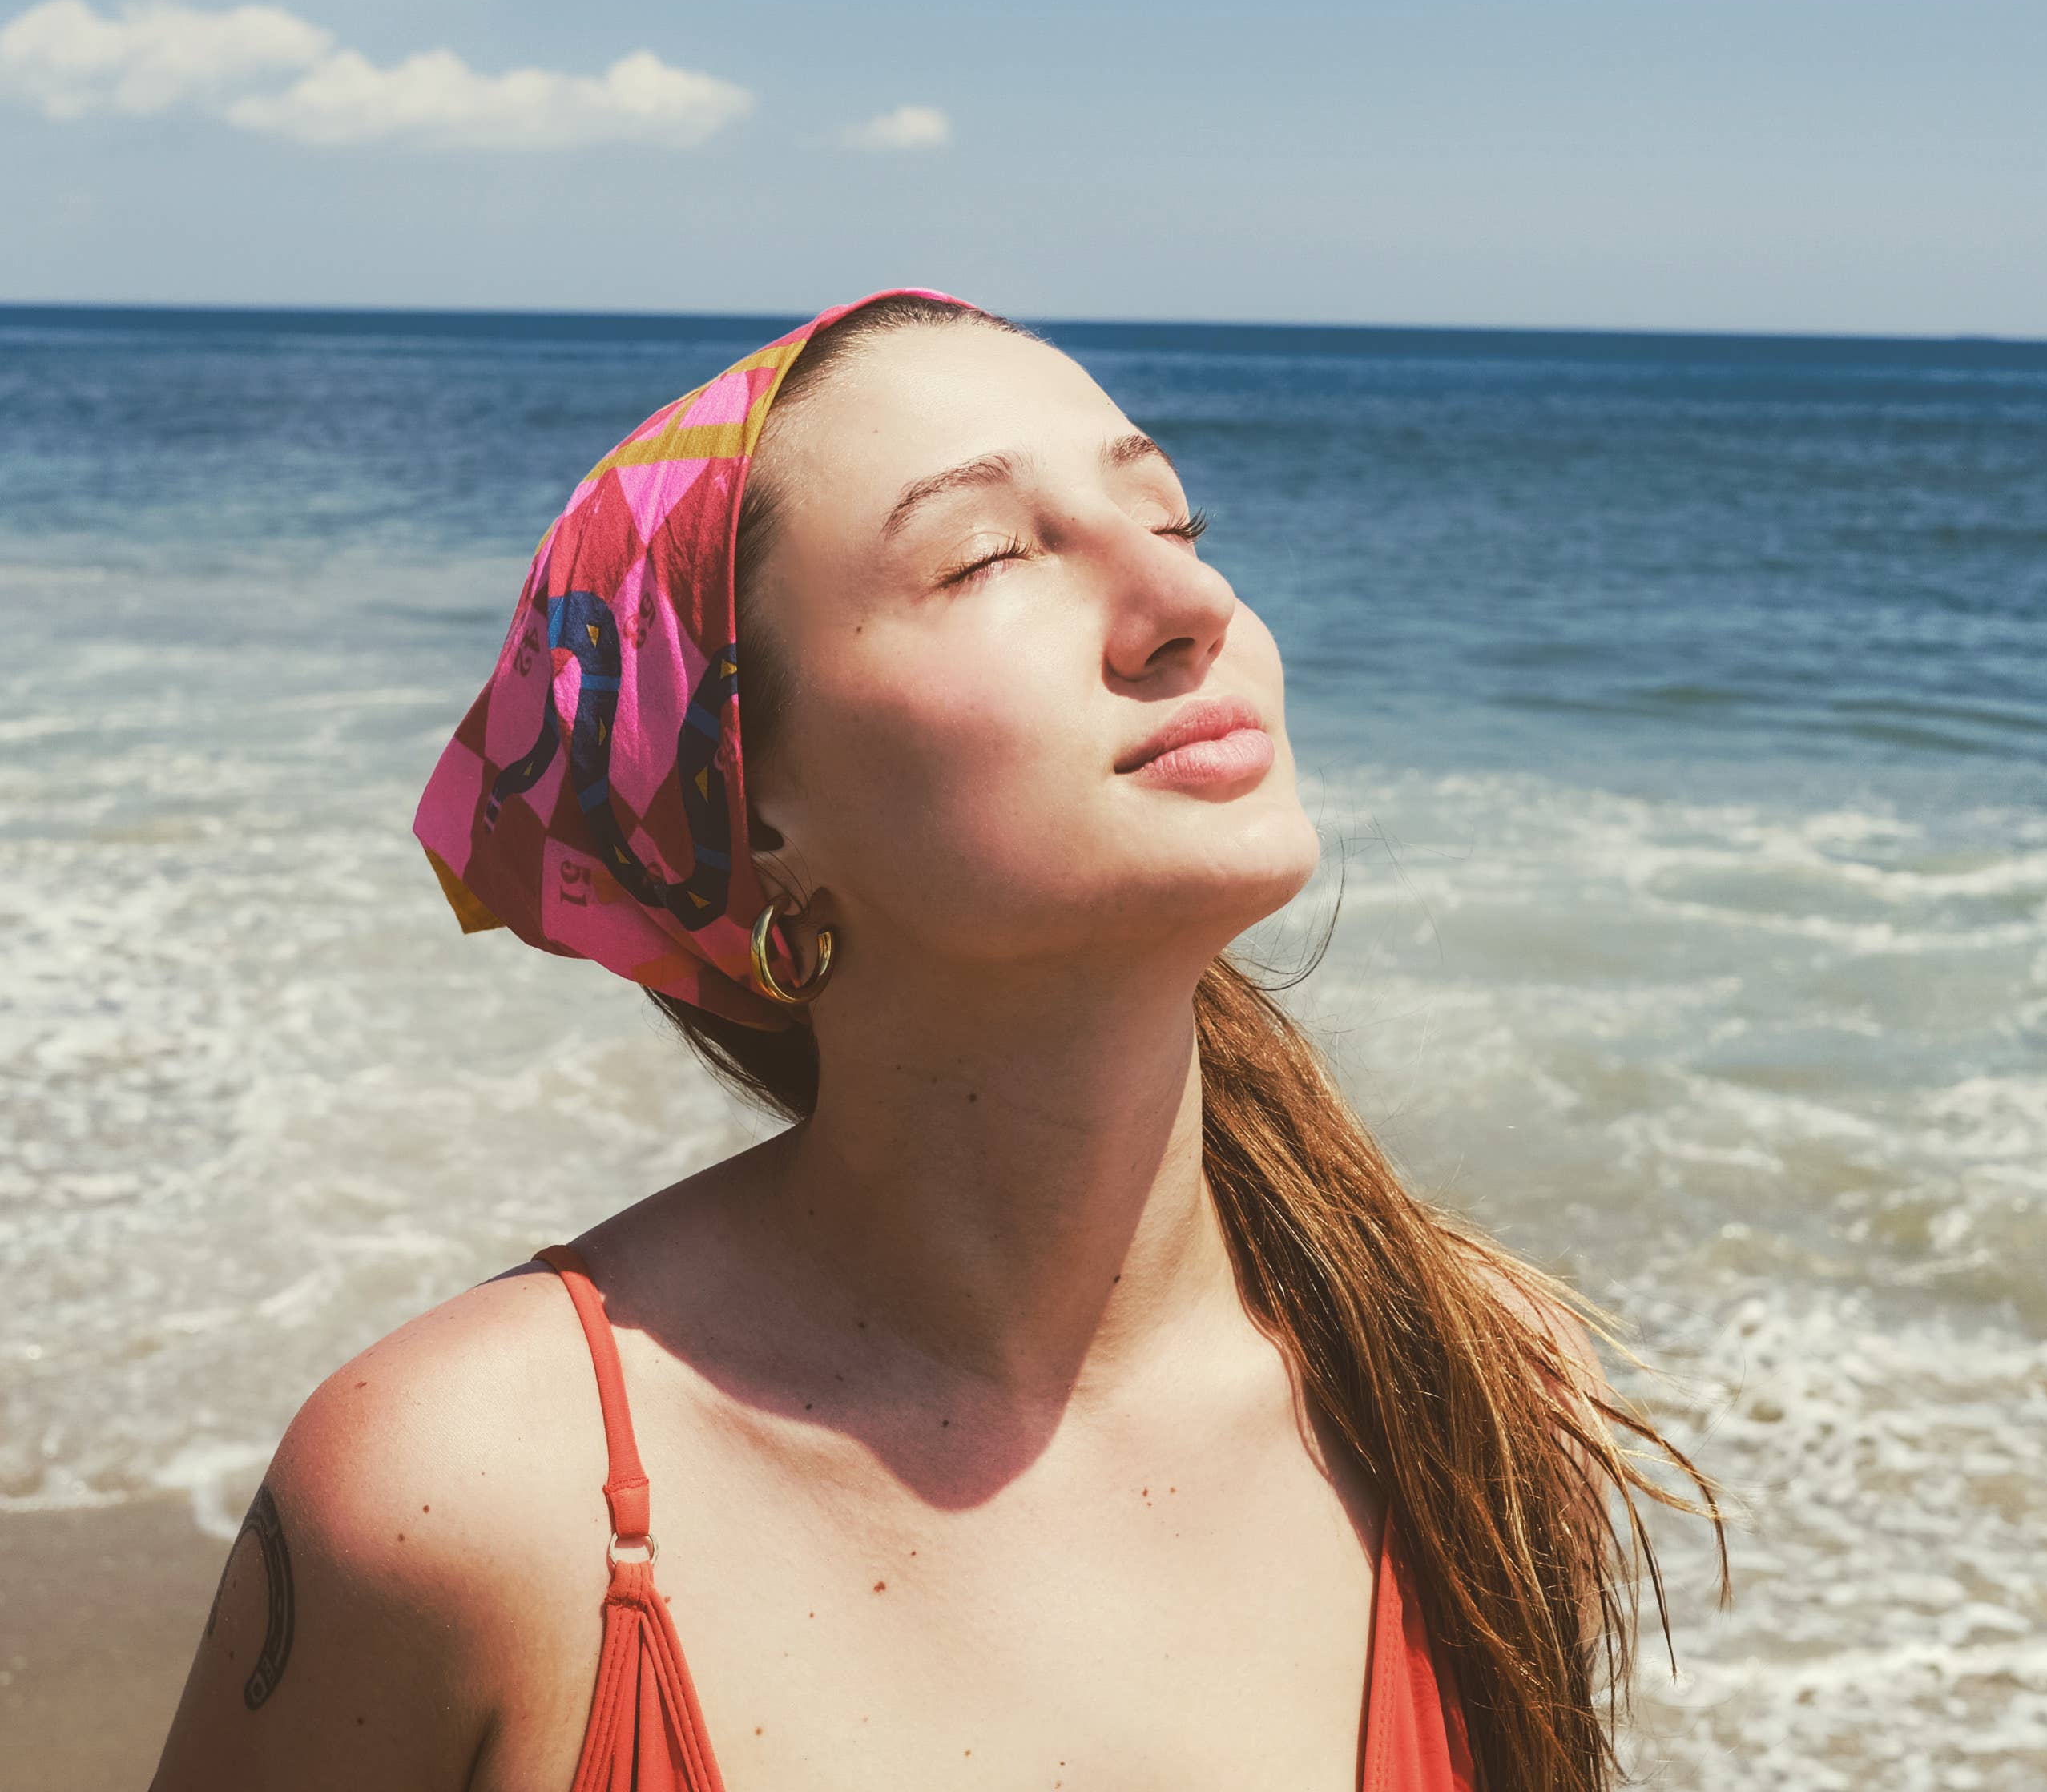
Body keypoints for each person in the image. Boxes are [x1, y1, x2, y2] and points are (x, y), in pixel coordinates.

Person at [151, 290, 1721, 1792]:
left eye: (1173, 521)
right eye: (987, 557)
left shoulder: (1466, 1371)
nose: (1190, 606)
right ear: (745, 800)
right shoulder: (468, 1491)